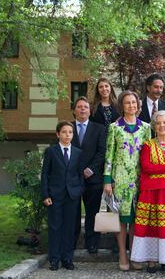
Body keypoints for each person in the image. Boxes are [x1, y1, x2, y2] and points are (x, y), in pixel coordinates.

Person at [131, 110, 165, 273]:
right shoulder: (148, 144)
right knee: (152, 226)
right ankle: (152, 259)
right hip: (152, 192)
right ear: (154, 126)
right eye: (159, 123)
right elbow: (147, 167)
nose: (162, 125)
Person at [103, 91, 151, 271]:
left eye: (134, 103)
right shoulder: (114, 127)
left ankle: (135, 254)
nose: (131, 105)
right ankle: (123, 253)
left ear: (138, 105)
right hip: (120, 180)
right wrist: (107, 180)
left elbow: (148, 154)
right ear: (122, 106)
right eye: (127, 103)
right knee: (121, 220)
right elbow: (109, 155)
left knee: (137, 219)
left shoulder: (146, 127)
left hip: (140, 180)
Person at [41, 121, 84, 271]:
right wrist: (45, 194)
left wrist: (79, 190)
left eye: (70, 132)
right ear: (58, 134)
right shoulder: (51, 152)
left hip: (72, 196)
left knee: (69, 228)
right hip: (55, 195)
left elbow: (80, 174)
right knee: (55, 227)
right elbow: (45, 174)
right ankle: (54, 259)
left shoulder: (78, 152)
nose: (67, 135)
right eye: (64, 132)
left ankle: (67, 258)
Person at [71, 97, 106, 254]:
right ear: (74, 110)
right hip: (72, 178)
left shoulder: (99, 128)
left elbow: (102, 151)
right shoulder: (68, 128)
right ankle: (71, 241)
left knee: (92, 212)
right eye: (79, 107)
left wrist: (91, 168)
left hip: (93, 178)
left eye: (85, 107)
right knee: (72, 211)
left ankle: (92, 243)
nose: (83, 109)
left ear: (90, 111)